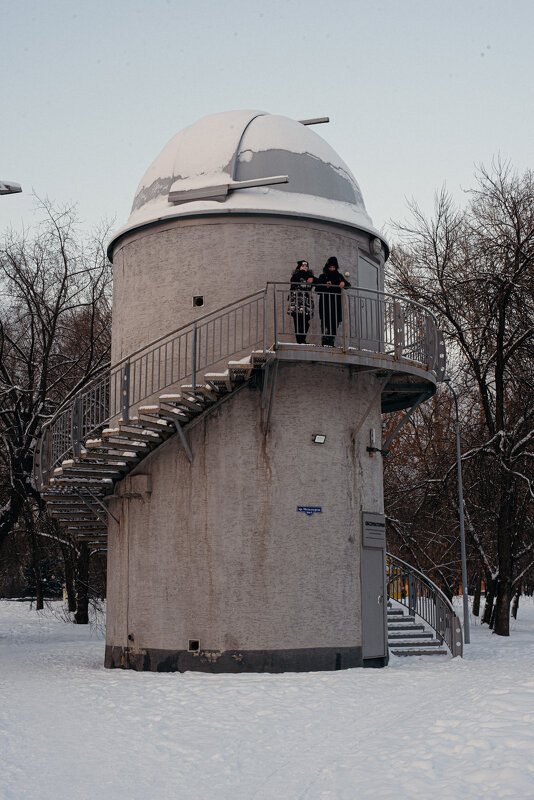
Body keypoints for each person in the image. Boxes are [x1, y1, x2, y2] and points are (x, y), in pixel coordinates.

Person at [316, 256, 351, 346]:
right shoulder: (323, 276)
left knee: (335, 324)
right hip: (325, 304)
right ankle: (324, 342)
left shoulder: (339, 276)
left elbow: (348, 285)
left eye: (333, 267)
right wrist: (325, 285)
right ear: (327, 267)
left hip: (336, 305)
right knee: (325, 324)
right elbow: (317, 289)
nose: (332, 269)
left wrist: (343, 283)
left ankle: (331, 342)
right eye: (330, 267)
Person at [287, 260, 315, 344]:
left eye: (306, 266)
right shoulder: (296, 275)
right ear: (299, 267)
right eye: (302, 266)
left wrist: (312, 278)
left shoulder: (310, 276)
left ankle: (301, 341)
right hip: (297, 303)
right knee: (298, 322)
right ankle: (301, 341)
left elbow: (317, 282)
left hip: (306, 303)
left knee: (306, 323)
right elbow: (293, 280)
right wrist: (303, 273)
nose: (304, 268)